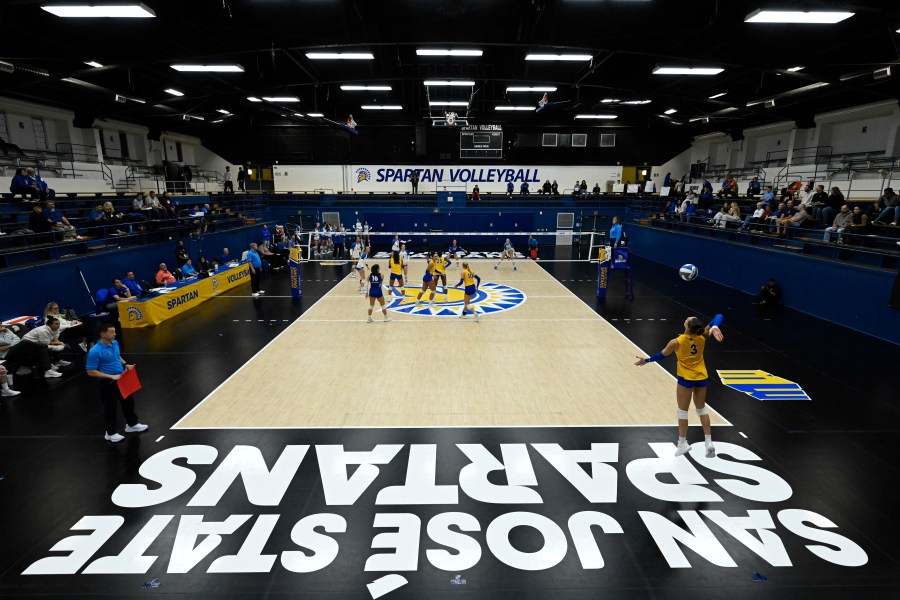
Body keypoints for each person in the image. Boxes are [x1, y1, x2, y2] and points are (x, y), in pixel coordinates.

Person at [634, 314, 725, 458]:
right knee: (701, 409)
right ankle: (708, 442)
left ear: (687, 326)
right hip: (701, 377)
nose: (687, 318)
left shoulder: (676, 342)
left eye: (688, 320)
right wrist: (714, 327)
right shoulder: (703, 336)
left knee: (682, 411)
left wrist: (646, 360)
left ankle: (682, 443)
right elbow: (719, 316)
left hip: (686, 378)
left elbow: (662, 355)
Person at [85, 323, 148, 443]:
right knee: (110, 408)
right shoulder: (95, 351)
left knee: (129, 402)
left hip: (122, 378)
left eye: (114, 331)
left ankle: (132, 425)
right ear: (102, 334)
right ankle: (110, 433)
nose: (115, 334)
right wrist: (111, 376)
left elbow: (117, 356)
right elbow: (91, 372)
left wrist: (125, 364)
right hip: (107, 383)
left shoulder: (115, 343)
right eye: (111, 332)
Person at [4, 317, 68, 379]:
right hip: (22, 348)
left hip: (34, 345)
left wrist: (59, 343)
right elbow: (7, 342)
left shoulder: (6, 331)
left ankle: (53, 365)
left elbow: (16, 339)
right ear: (50, 325)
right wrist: (8, 345)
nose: (58, 325)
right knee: (36, 344)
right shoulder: (43, 331)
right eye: (56, 324)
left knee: (43, 347)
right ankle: (49, 368)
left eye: (59, 323)